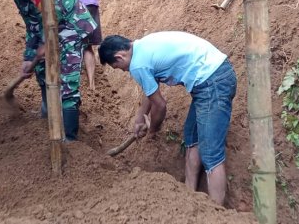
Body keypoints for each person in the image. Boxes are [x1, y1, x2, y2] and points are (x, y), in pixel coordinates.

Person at [99, 32, 236, 206]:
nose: (125, 71)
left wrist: (153, 130)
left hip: (212, 82)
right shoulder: (142, 47)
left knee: (211, 153)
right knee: (192, 139)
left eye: (119, 67)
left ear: (119, 57)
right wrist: (140, 119)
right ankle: (190, 200)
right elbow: (150, 92)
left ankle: (216, 212)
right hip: (210, 79)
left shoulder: (137, 65)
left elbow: (160, 105)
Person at [0, 0, 96, 141]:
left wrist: (47, 42)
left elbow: (51, 9)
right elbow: (33, 25)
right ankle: (49, 115)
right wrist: (29, 57)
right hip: (53, 30)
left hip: (69, 27)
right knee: (42, 71)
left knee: (67, 83)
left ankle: (70, 138)